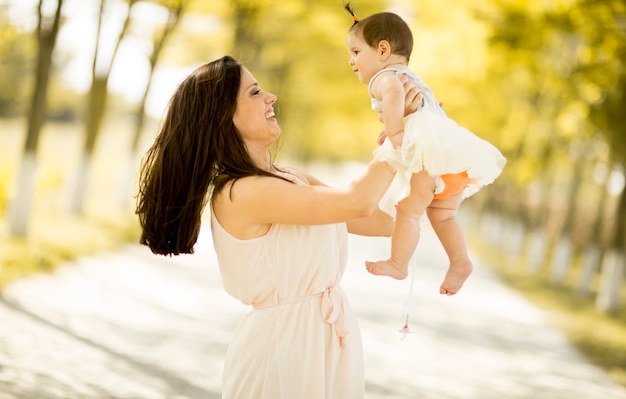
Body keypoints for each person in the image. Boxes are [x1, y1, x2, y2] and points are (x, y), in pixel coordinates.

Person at [135, 55, 423, 398]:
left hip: (327, 341)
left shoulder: (291, 178)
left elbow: (380, 221)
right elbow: (356, 201)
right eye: (255, 93)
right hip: (282, 352)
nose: (271, 97)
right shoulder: (240, 192)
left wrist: (424, 156)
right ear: (224, 116)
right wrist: (398, 134)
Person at [344, 4, 506, 295]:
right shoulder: (414, 78)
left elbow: (394, 94)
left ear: (382, 50)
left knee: (407, 211)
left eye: (356, 52)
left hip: (431, 162)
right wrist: (394, 126)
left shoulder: (385, 78)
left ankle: (398, 262)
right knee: (444, 217)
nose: (351, 61)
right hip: (455, 160)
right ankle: (460, 261)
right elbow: (420, 116)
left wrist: (394, 133)